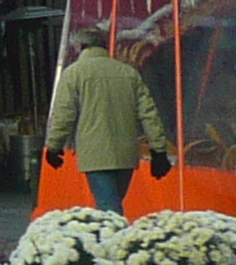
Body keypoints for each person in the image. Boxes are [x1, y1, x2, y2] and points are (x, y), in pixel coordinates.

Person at [45, 25, 171, 214]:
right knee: (111, 204)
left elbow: (63, 114)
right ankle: (110, 239)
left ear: (79, 47)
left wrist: (54, 146)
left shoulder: (73, 74)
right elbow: (149, 114)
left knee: (109, 209)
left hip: (95, 154)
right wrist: (159, 150)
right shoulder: (128, 73)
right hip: (126, 152)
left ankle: (115, 241)